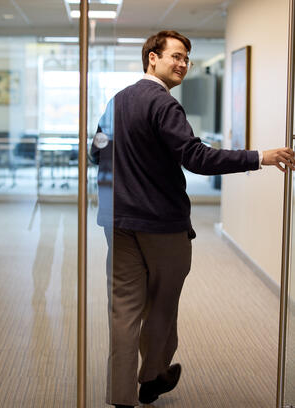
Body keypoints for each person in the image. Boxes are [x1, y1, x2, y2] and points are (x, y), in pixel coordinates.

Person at [90, 30, 295, 408]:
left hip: (117, 221)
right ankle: (151, 376)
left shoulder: (116, 102)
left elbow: (96, 150)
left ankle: (121, 397)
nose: (183, 64)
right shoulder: (164, 105)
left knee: (123, 309)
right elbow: (196, 157)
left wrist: (128, 173)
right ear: (152, 58)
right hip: (161, 225)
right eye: (176, 56)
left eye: (187, 58)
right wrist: (258, 157)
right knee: (163, 305)